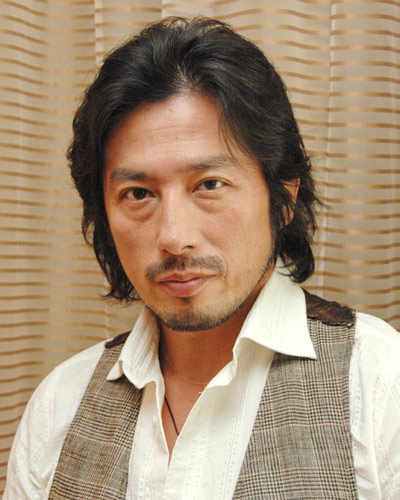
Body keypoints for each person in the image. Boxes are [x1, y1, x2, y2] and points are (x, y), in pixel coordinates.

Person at [4, 17, 400, 500]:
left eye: (209, 185)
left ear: (283, 197)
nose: (174, 237)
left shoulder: (381, 384)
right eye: (138, 193)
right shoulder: (57, 407)